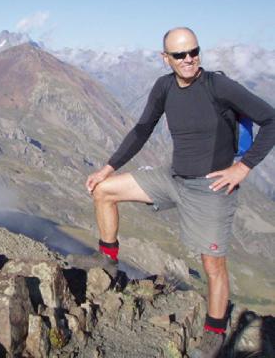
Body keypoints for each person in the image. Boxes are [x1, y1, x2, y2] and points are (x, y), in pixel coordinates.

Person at [85, 27, 275, 358]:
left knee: (213, 265)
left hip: (211, 187)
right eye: (180, 55)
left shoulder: (219, 86)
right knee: (103, 190)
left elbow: (271, 119)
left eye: (194, 52)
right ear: (166, 58)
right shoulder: (164, 86)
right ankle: (108, 263)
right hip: (173, 177)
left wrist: (243, 167)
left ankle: (214, 332)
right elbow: (143, 128)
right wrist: (108, 167)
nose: (189, 59)